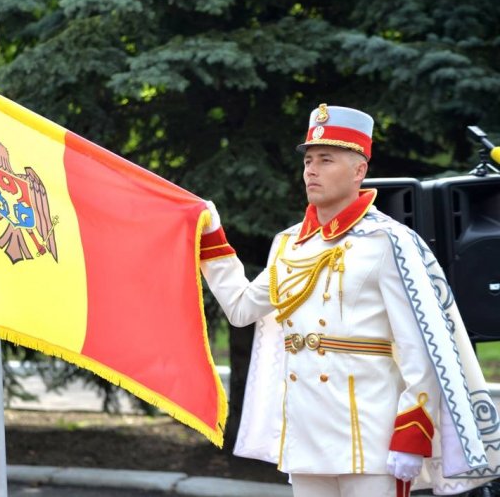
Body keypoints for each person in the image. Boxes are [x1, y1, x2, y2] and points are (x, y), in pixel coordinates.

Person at [199, 104, 500, 496]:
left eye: (326, 159)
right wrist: (212, 239)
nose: (312, 169)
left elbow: (420, 345)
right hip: (305, 437)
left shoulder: (388, 241)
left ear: (359, 171)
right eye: (309, 160)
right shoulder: (289, 244)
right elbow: (240, 309)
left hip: (371, 440)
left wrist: (412, 431)